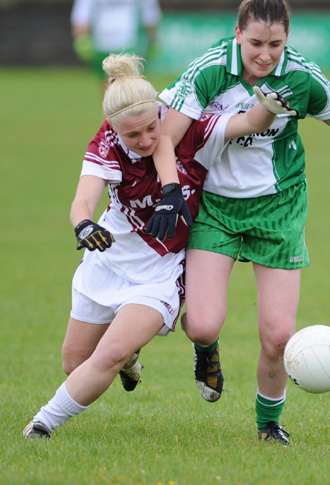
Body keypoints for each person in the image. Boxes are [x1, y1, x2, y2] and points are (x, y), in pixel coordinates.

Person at [153, 0, 330, 446]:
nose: (265, 55)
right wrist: (168, 190)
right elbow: (165, 136)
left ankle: (268, 424)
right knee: (201, 323)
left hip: (279, 208)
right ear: (237, 34)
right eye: (256, 43)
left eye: (276, 45)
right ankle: (207, 351)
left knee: (278, 336)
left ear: (288, 40)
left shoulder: (300, 76)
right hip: (216, 206)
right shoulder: (210, 70)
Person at [22, 52, 298, 439]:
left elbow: (248, 122)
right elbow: (83, 199)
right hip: (112, 258)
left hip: (161, 269)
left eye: (152, 128)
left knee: (109, 353)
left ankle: (41, 424)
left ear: (161, 113)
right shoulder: (107, 144)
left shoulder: (195, 130)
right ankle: (129, 360)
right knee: (75, 363)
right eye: (133, 135)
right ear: (114, 129)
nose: (147, 140)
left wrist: (268, 108)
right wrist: (83, 225)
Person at [70, 0, 162, 78]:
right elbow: (83, 9)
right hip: (101, 42)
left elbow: (150, 9)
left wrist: (153, 38)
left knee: (129, 83)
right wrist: (81, 37)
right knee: (107, 84)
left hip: (132, 42)